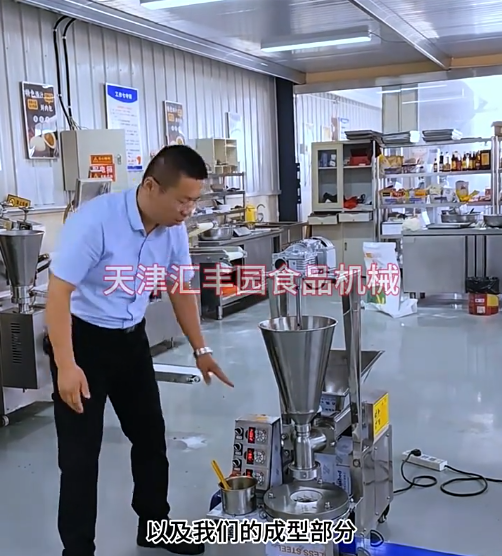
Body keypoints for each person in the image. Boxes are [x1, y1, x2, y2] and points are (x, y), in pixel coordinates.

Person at [45, 145, 233, 556]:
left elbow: (180, 287)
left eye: (194, 201)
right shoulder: (96, 222)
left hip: (131, 341)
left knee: (150, 438)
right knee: (79, 457)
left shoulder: (172, 229)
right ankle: (77, 550)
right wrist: (66, 365)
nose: (188, 210)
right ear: (151, 186)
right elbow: (58, 294)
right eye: (183, 200)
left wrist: (201, 349)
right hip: (83, 342)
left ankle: (155, 526)